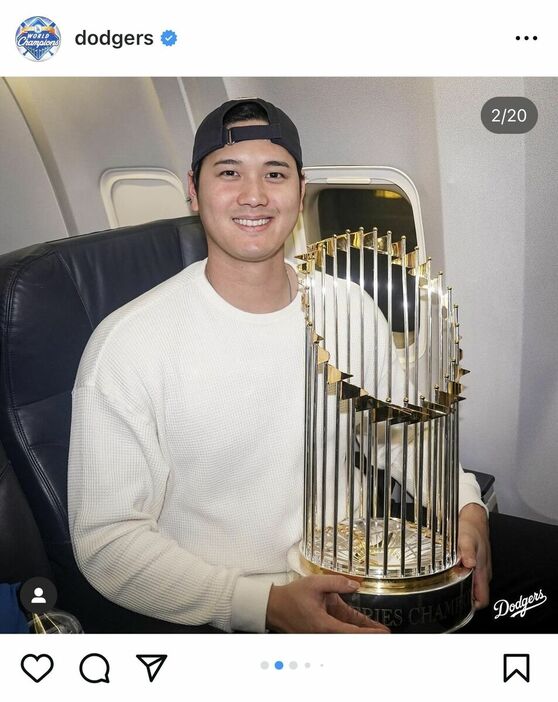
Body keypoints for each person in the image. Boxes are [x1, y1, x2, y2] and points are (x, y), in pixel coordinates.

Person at [68, 97, 491, 633]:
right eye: (228, 173)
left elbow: (396, 437)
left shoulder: (347, 306)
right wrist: (261, 604)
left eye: (274, 173)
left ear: (300, 189)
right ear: (193, 191)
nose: (254, 195)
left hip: (359, 571)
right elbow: (108, 544)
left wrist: (464, 505)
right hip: (229, 603)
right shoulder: (128, 345)